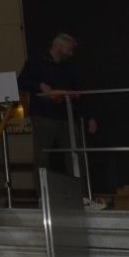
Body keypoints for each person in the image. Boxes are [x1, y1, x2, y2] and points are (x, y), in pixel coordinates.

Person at [18, 32, 97, 176]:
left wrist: (89, 116)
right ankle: (43, 195)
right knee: (42, 156)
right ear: (58, 46)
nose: (71, 53)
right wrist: (39, 85)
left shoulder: (69, 67)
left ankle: (80, 193)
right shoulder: (36, 62)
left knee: (76, 156)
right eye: (69, 49)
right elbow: (21, 82)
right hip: (44, 116)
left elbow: (78, 92)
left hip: (68, 117)